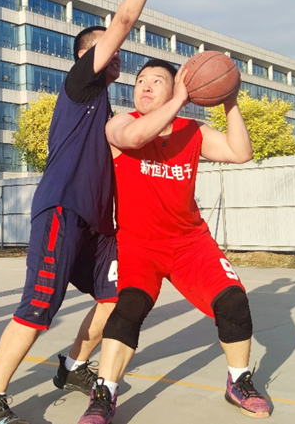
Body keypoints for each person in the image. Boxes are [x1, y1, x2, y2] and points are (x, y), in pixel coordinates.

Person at [0, 0, 164, 424]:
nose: (117, 55)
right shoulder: (80, 85)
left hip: (98, 226)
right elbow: (124, 20)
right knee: (39, 307)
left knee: (117, 298)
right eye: (107, 48)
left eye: (117, 53)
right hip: (63, 208)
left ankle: (74, 365)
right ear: (85, 56)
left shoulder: (105, 110)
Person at [76, 60, 270, 423]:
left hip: (190, 244)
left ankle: (239, 381)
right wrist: (181, 97)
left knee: (234, 302)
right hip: (138, 246)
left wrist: (229, 99)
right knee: (128, 309)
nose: (146, 86)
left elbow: (240, 153)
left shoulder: (192, 131)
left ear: (176, 88)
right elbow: (133, 140)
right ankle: (104, 394)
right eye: (140, 81)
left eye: (157, 81)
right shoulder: (120, 123)